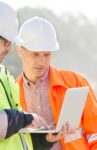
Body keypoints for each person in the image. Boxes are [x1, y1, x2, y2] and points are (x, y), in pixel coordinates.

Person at [17, 16, 97, 150]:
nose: (42, 62)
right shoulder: (12, 92)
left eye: (46, 54)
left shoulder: (76, 83)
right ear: (20, 50)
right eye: (35, 54)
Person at [0, 2, 48, 149]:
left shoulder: (4, 75)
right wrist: (26, 118)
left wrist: (45, 140)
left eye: (11, 43)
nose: (9, 48)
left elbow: (13, 136)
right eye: (6, 42)